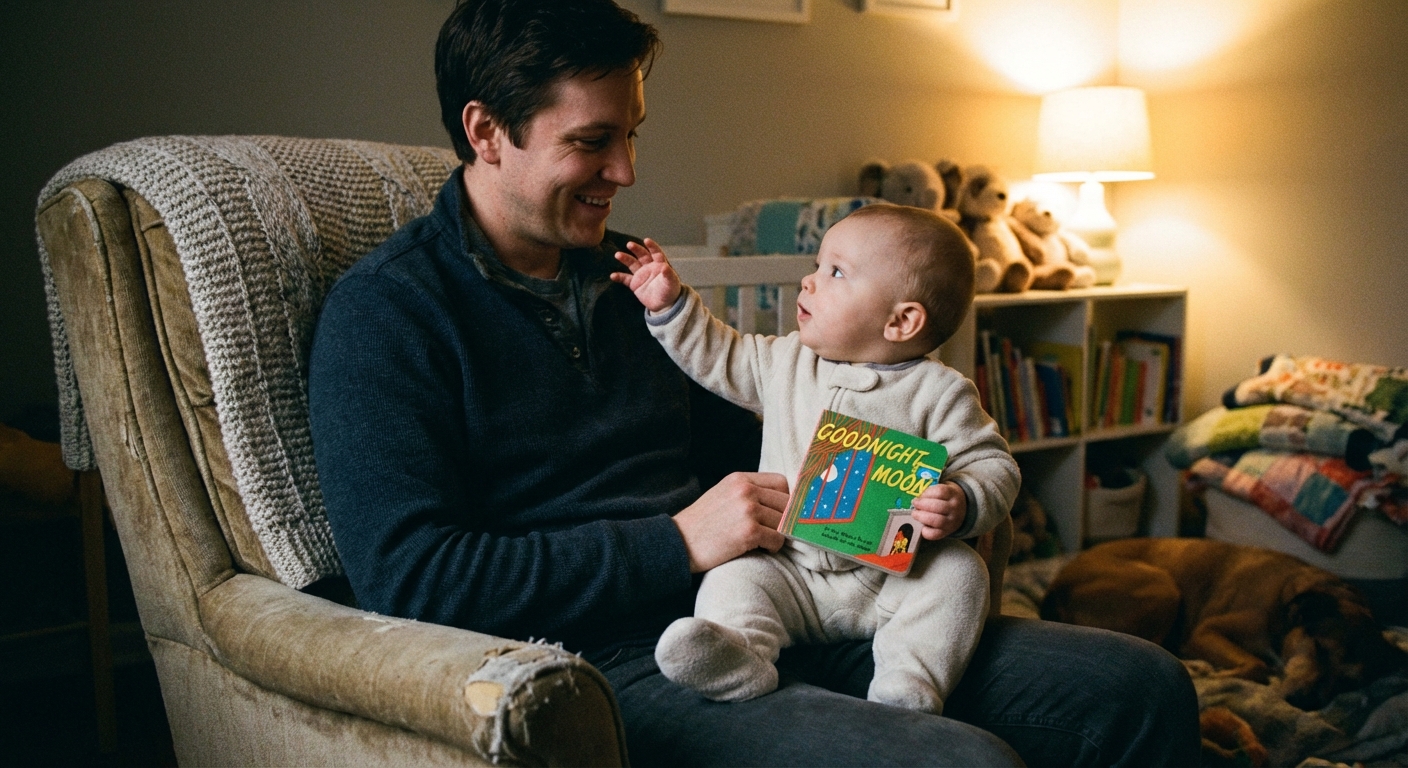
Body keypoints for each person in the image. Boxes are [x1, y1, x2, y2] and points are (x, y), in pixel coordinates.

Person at [307, 1, 1201, 765]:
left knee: (1139, 687)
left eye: (630, 136)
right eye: (593, 142)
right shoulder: (389, 317)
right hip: (609, 658)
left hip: (794, 597)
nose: (625, 173)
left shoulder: (629, 278)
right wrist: (679, 543)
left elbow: (762, 429)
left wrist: (922, 492)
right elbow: (413, 581)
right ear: (485, 132)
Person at [609, 206, 1015, 715]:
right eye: (818, 265)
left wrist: (962, 500)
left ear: (902, 320)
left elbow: (994, 465)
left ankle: (909, 681)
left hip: (891, 578)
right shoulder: (787, 361)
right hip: (792, 569)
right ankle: (739, 654)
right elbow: (720, 354)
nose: (809, 280)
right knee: (734, 574)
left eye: (835, 272)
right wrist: (672, 308)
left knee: (960, 574)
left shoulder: (940, 392)